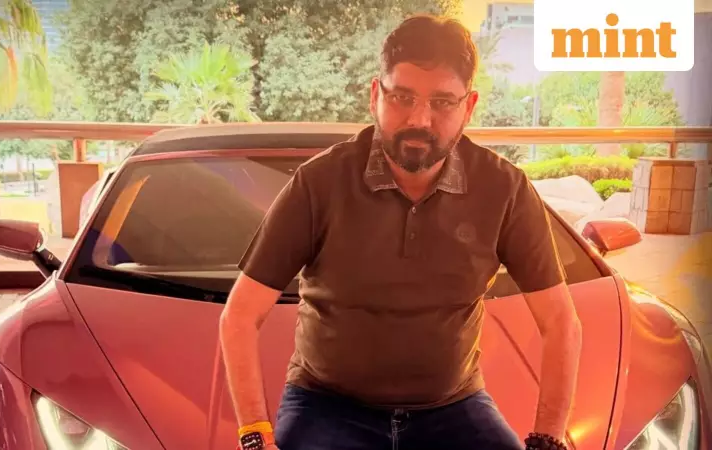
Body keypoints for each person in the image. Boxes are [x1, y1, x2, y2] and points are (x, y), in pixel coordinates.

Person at [219, 14, 583, 450]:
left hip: (454, 407)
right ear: (376, 95)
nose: (420, 119)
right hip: (326, 405)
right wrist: (255, 437)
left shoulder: (505, 189)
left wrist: (547, 440)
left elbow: (561, 321)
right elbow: (240, 316)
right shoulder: (318, 184)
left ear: (468, 107)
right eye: (402, 96)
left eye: (443, 102)